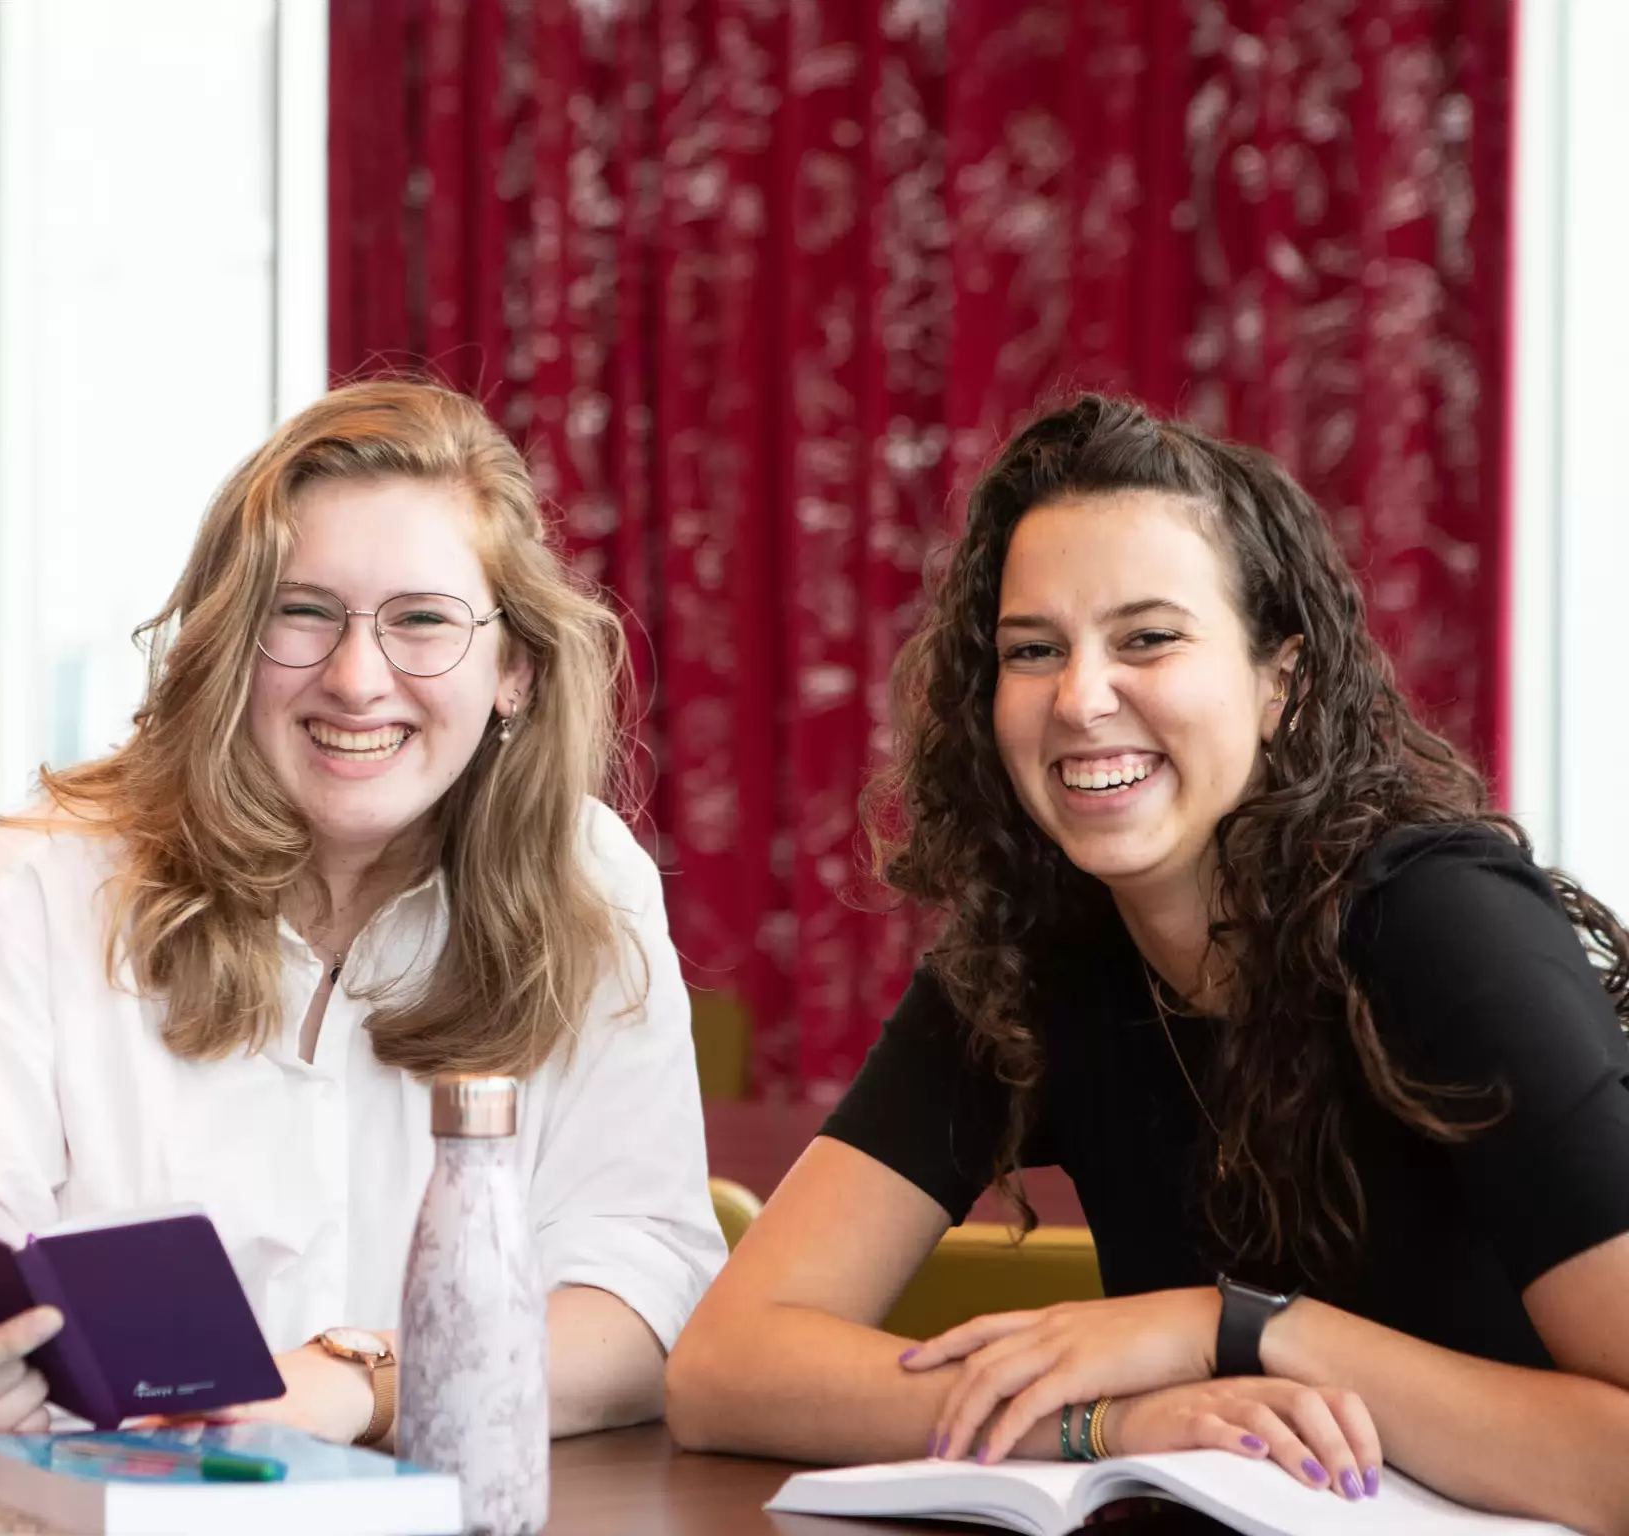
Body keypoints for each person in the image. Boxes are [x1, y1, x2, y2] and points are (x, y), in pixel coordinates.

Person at [666, 394, 1629, 1532]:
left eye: (1148, 639)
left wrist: (1239, 1331)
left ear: (1282, 682)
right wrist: (1103, 1423)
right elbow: (724, 1368)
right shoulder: (1032, 958)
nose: (1080, 699)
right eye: (1034, 651)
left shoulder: (1444, 925)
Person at [0, 379, 724, 1485]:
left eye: (423, 620)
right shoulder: (41, 882)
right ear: (231, 642)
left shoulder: (589, 879)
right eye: (302, 612)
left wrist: (353, 1384)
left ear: (513, 669)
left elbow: (643, 1297)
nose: (357, 680)